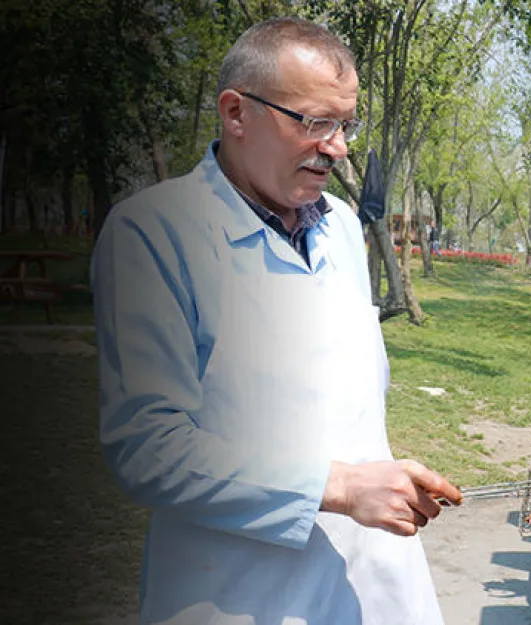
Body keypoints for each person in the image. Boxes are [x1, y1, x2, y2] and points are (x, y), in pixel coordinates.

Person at [90, 17, 462, 625]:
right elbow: (148, 450)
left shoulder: (340, 225)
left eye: (345, 124)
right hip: (238, 594)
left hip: (371, 582)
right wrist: (339, 489)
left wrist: (375, 487)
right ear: (237, 113)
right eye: (315, 122)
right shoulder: (151, 234)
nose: (337, 146)